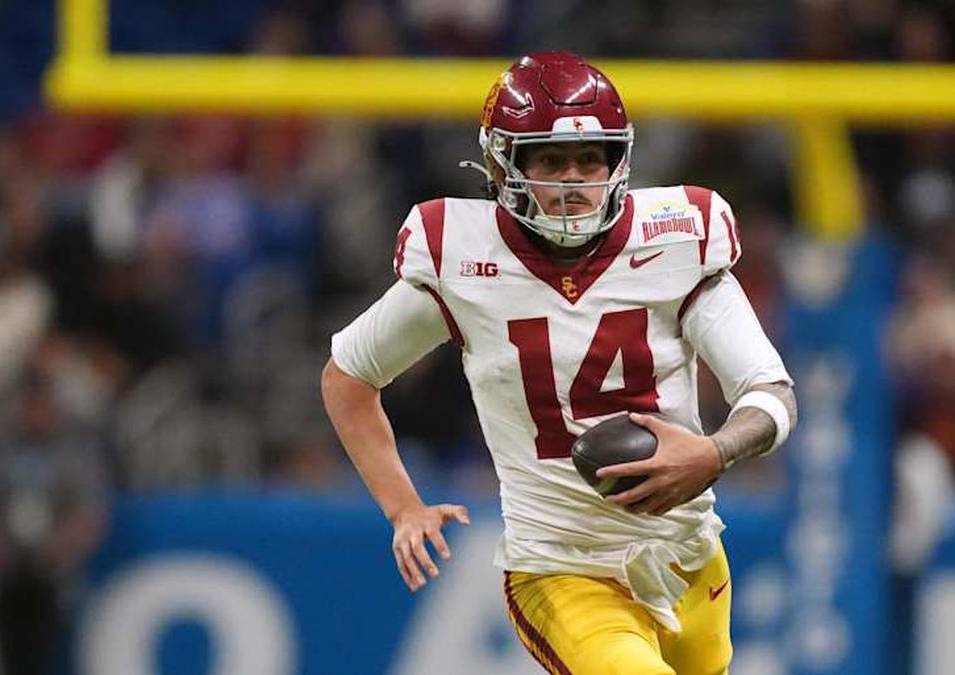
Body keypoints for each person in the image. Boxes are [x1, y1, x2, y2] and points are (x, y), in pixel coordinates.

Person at [322, 51, 797, 675]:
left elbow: (771, 393)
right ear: (503, 164)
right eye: (550, 160)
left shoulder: (678, 240)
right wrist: (402, 506)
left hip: (689, 558)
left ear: (617, 162)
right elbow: (349, 377)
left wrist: (714, 453)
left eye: (588, 159)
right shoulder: (462, 259)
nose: (573, 180)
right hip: (561, 565)